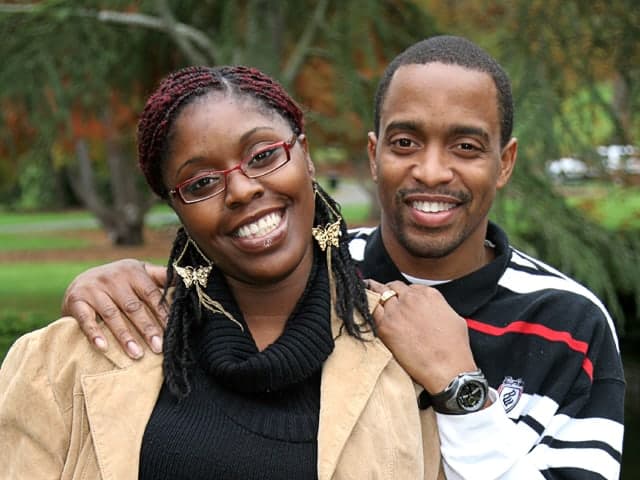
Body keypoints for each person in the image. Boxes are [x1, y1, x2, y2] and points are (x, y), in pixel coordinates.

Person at [59, 36, 624, 479]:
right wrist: (110, 282)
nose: (431, 171)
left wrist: (459, 387)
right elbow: (207, 284)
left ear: (505, 162)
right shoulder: (320, 270)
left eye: (466, 147)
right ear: (374, 155)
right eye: (405, 143)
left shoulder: (569, 321)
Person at [0, 65, 445, 479]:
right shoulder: (66, 358)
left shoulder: (405, 350)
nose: (242, 189)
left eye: (264, 155)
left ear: (305, 155)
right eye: (201, 183)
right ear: (177, 208)